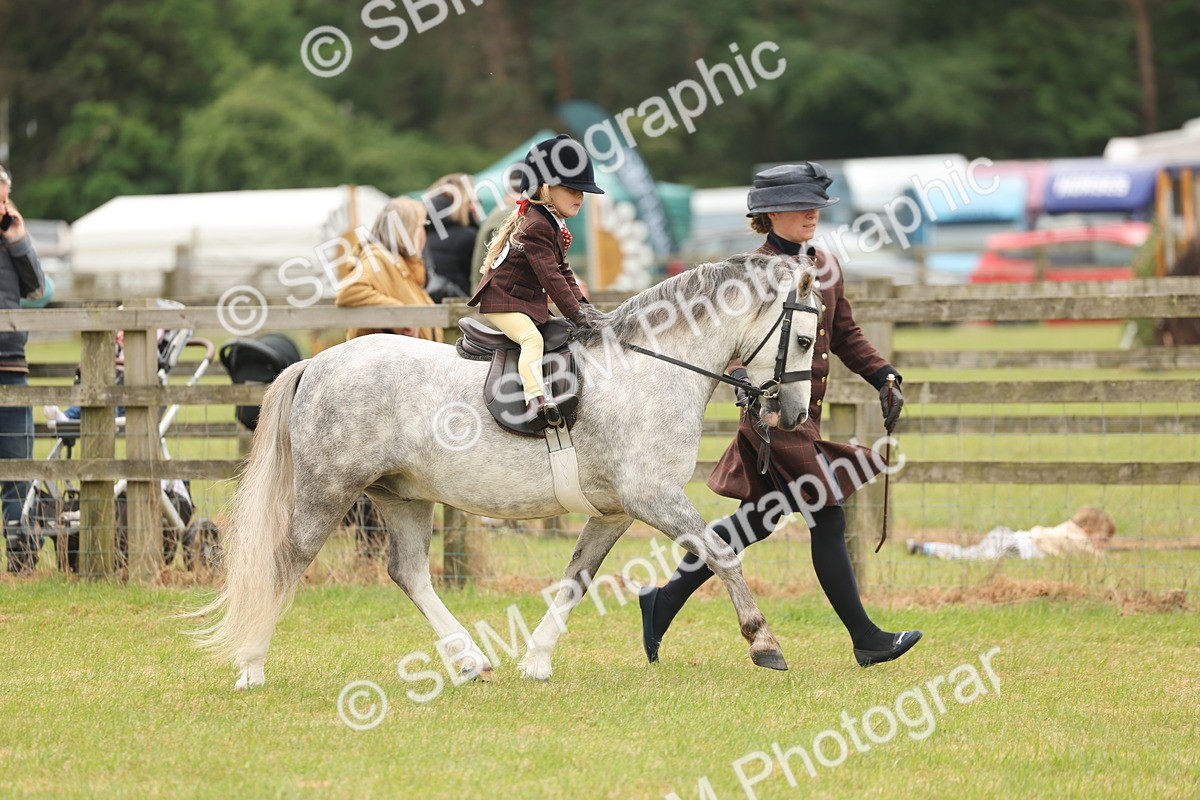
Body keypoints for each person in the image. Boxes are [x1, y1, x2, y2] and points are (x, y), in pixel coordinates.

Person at [638, 163, 921, 668]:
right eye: (799, 205)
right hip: (771, 420)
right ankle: (867, 640)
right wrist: (744, 376)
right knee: (827, 514)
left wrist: (883, 376)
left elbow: (846, 334)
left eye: (815, 204)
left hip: (804, 416)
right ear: (768, 216)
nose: (812, 213)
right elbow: (728, 345)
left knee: (756, 522)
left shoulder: (825, 266)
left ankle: (663, 601)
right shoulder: (750, 273)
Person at [466, 134, 601, 426]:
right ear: (545, 188)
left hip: (522, 299)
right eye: (571, 188)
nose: (580, 196)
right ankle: (537, 400)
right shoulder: (537, 225)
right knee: (531, 339)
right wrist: (576, 314)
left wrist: (586, 308)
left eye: (582, 190)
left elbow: (563, 270)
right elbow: (550, 277)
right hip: (504, 299)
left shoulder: (551, 221)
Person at [0, 165, 47, 573]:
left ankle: (21, 561)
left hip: (11, 364)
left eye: (3, 198)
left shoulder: (10, 240)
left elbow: (37, 289)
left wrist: (20, 241)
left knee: (18, 466)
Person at [336, 197, 443, 343]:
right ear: (407, 229)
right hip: (387, 362)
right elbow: (349, 291)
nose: (425, 233)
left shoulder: (397, 262)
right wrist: (400, 316)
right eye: (423, 226)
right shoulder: (378, 258)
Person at [907, 507, 1115, 560]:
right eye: (1103, 539)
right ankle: (928, 549)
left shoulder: (1067, 529)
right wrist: (1106, 557)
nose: (1104, 545)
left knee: (968, 553)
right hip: (1012, 548)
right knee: (969, 557)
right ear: (1088, 530)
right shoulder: (1076, 537)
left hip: (1009, 537)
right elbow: (1090, 554)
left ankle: (926, 547)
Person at [423, 173, 480, 302]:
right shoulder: (469, 237)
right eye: (473, 201)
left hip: (427, 309)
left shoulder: (420, 233)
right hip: (460, 309)